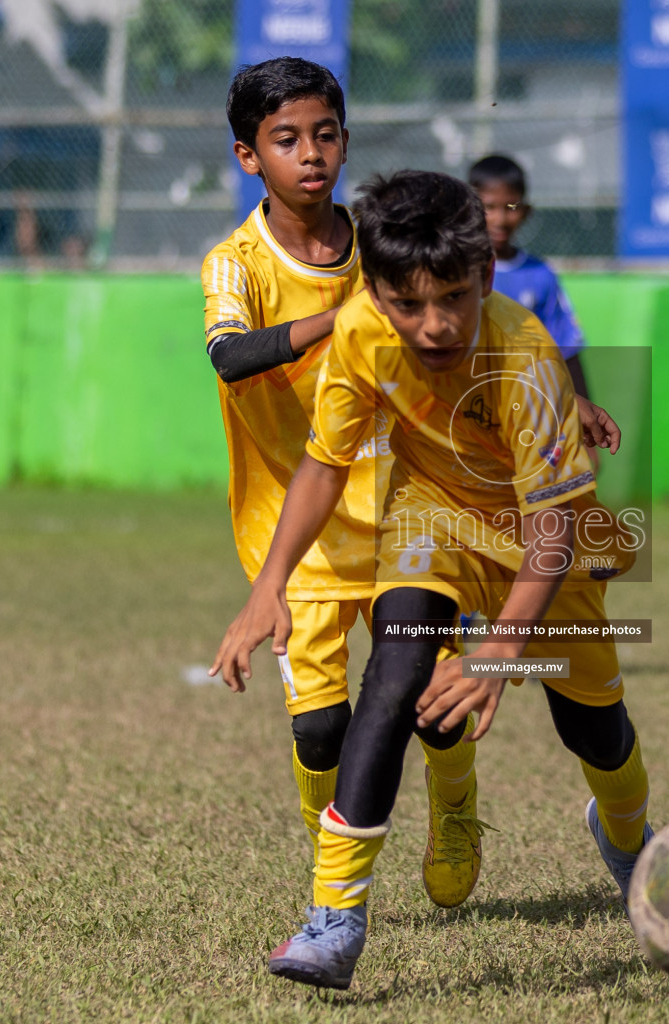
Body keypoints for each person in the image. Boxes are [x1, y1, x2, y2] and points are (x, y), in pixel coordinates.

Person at [209, 170, 651, 991]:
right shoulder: (361, 334)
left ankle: (631, 843)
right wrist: (270, 583)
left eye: (453, 296)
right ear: (373, 291)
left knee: (594, 732)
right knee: (393, 679)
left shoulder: (524, 357)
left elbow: (553, 530)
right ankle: (333, 919)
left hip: (538, 540)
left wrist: (497, 654)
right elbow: (322, 465)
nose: (434, 324)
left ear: (485, 275)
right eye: (407, 304)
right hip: (429, 521)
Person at [199, 57, 483, 910]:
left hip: (407, 514)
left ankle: (457, 808)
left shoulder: (384, 251)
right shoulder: (235, 263)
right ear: (250, 156)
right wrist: (344, 316)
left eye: (325, 135)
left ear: (347, 143)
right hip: (302, 525)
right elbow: (230, 355)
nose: (309, 154)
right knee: (321, 728)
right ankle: (333, 846)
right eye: (286, 139)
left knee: (434, 701)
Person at [468, 154, 591, 399]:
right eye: (488, 207)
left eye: (510, 208)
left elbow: (565, 348)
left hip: (522, 405)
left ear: (526, 211)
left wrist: (586, 410)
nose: (500, 220)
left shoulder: (540, 274)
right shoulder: (454, 268)